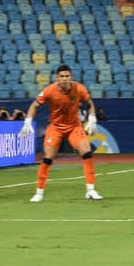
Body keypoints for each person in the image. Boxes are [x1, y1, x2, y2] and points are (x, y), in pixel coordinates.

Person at [22, 64, 102, 202]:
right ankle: (39, 193)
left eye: (67, 76)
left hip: (74, 126)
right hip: (56, 127)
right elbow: (34, 105)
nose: (65, 79)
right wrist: (28, 121)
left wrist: (92, 118)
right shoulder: (49, 91)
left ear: (71, 77)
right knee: (48, 157)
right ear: (57, 78)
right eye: (62, 76)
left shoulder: (79, 88)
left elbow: (89, 104)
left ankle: (91, 190)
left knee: (87, 152)